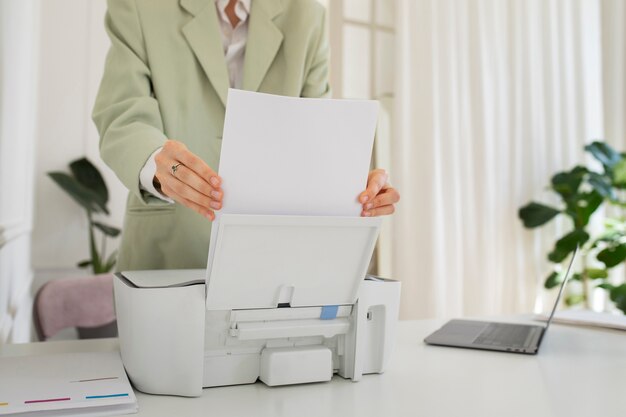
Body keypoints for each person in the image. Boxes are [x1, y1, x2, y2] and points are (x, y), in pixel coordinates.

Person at [93, 0, 400, 271]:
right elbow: (122, 112)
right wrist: (156, 163)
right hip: (167, 256)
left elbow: (312, 141)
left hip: (270, 266)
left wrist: (351, 187)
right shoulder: (139, 5)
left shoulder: (307, 17)